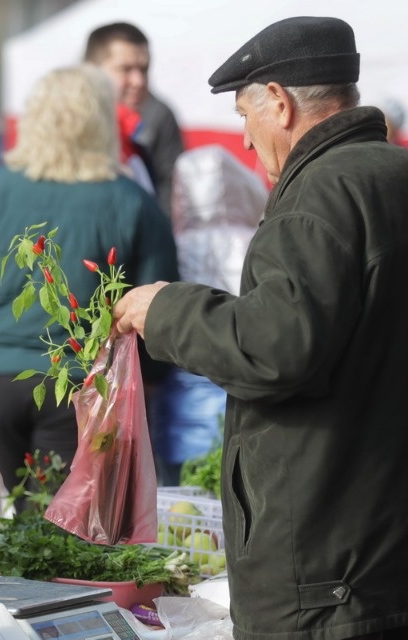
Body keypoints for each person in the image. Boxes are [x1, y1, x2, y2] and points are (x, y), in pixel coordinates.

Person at [112, 17, 408, 640]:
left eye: (245, 116)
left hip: (332, 578)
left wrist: (165, 309)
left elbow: (275, 350)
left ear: (278, 101)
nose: (245, 142)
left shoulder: (318, 198)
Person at [0, 64, 179, 494]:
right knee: (65, 530)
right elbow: (158, 306)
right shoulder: (132, 202)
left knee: (13, 518)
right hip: (81, 384)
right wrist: (152, 380)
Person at [150, 145, 266, 485]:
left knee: (179, 513)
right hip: (236, 402)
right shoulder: (255, 242)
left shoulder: (173, 244)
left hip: (177, 403)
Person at [84, 22, 184, 217]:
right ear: (92, 70)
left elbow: (170, 189)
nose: (138, 81)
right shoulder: (70, 120)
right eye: (125, 69)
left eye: (144, 69)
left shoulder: (159, 114)